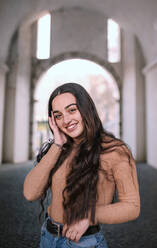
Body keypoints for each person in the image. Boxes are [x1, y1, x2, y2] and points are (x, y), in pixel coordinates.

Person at [23, 82, 140, 248]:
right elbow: (30, 193)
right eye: (58, 115)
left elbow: (132, 206)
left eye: (72, 110)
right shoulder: (58, 148)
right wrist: (57, 145)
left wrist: (90, 215)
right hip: (47, 238)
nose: (66, 120)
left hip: (83, 243)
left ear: (86, 109)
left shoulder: (114, 151)